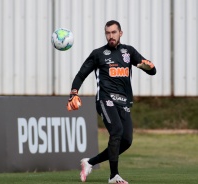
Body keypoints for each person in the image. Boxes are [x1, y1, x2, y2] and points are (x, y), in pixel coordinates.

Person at [67, 20, 156, 184]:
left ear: (120, 33)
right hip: (105, 99)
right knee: (117, 131)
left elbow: (152, 70)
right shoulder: (98, 54)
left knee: (126, 141)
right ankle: (114, 176)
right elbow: (81, 75)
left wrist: (148, 67)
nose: (111, 36)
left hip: (124, 103)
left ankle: (90, 162)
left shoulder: (128, 52)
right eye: (108, 33)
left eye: (114, 32)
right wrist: (74, 93)